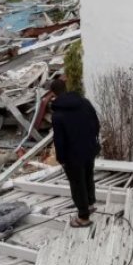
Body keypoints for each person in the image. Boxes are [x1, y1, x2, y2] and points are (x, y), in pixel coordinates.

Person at [50, 78, 101, 228]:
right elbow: (96, 123)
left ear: (53, 94)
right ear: (66, 88)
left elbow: (59, 140)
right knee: (88, 177)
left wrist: (61, 158)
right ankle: (90, 204)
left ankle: (83, 218)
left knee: (77, 184)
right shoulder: (84, 103)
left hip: (73, 156)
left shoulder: (58, 115)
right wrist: (91, 141)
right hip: (89, 149)